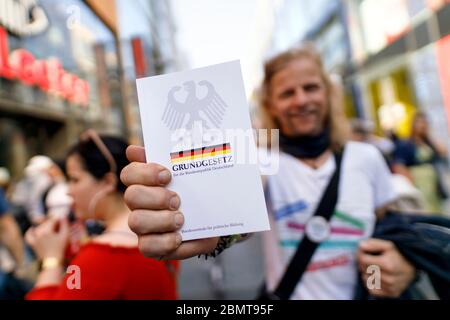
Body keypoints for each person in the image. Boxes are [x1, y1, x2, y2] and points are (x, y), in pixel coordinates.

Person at [120, 45, 417, 299]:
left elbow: (383, 233)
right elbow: (238, 214)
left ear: (328, 94)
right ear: (271, 105)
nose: (301, 99)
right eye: (288, 93)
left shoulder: (366, 157)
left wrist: (396, 270)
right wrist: (209, 231)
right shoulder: (262, 159)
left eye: (311, 87)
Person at [25, 130, 178, 300]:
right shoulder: (162, 231)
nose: (68, 191)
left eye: (75, 180)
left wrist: (50, 259)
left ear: (108, 182)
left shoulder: (103, 255)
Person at [392, 112, 448, 213]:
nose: (423, 125)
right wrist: (410, 183)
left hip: (433, 181)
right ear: (413, 125)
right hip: (417, 180)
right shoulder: (406, 144)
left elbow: (443, 152)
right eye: (420, 123)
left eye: (425, 123)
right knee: (424, 207)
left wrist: (429, 137)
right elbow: (399, 165)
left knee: (436, 206)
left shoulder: (428, 142)